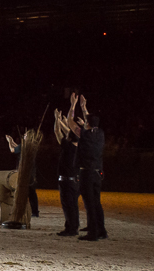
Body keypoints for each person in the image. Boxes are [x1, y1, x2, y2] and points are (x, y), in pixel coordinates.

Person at [75, 95, 107, 241]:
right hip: (97, 173)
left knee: (89, 204)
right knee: (97, 203)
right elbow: (90, 124)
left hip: (87, 173)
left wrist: (78, 106)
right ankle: (102, 230)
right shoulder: (100, 135)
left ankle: (92, 232)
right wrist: (83, 109)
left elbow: (74, 126)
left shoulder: (86, 135)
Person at [54, 93, 81, 237]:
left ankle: (70, 228)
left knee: (67, 205)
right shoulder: (81, 146)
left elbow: (57, 131)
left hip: (66, 180)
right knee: (74, 206)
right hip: (76, 180)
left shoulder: (68, 146)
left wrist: (57, 120)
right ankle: (73, 227)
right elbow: (68, 130)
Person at [6, 131, 39, 217]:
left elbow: (13, 150)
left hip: (24, 173)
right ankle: (35, 212)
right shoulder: (31, 145)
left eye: (25, 135)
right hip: (31, 172)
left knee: (21, 192)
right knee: (32, 193)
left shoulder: (24, 146)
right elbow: (18, 147)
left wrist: (9, 142)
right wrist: (12, 140)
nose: (23, 136)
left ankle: (20, 210)